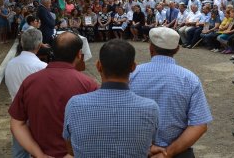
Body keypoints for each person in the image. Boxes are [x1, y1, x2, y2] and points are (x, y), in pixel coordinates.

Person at [8, 32, 98, 158]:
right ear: (79, 54)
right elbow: (98, 128)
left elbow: (17, 124)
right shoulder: (88, 85)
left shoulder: (30, 82)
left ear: (52, 51)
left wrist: (39, 154)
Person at [63, 40, 159, 157]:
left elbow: (71, 149)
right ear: (133, 67)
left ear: (98, 66)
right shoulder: (150, 108)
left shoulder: (74, 104)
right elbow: (149, 143)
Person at [130, 27, 212, 158]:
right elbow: (200, 125)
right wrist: (167, 153)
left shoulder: (132, 74)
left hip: (136, 149)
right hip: (178, 152)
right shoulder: (189, 79)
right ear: (177, 49)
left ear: (150, 48)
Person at [5, 29, 47, 158]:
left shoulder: (10, 64)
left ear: (22, 43)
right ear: (40, 45)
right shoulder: (42, 67)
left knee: (19, 152)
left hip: (17, 114)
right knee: (40, 150)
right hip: (37, 115)